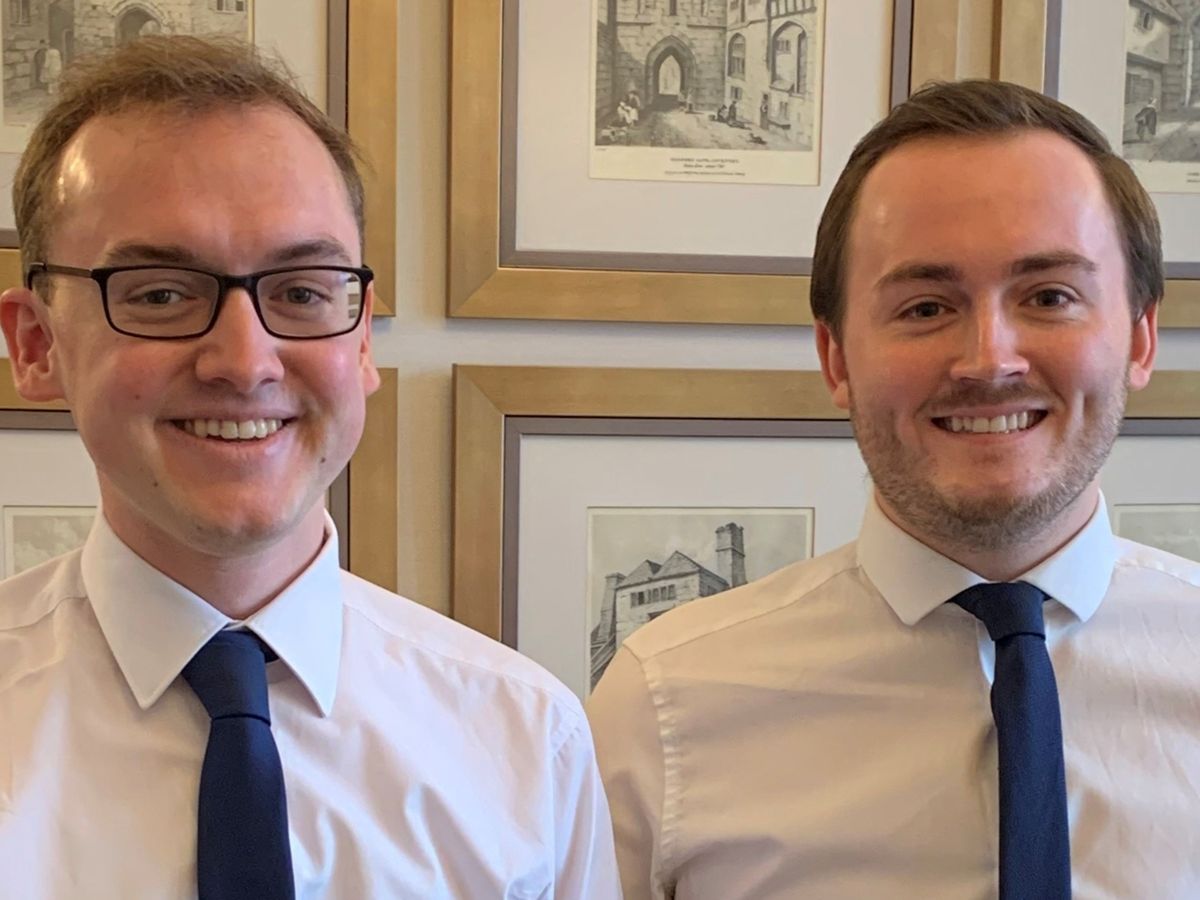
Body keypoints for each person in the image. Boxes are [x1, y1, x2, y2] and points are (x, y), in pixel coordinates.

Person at [0, 36, 619, 898]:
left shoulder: (526, 740)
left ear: (361, 341)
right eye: (161, 294)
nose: (244, 361)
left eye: (300, 292)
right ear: (36, 346)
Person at [588, 78, 1200, 899]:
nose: (990, 360)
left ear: (1140, 337)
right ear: (836, 357)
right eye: (925, 307)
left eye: (1050, 296)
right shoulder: (665, 708)